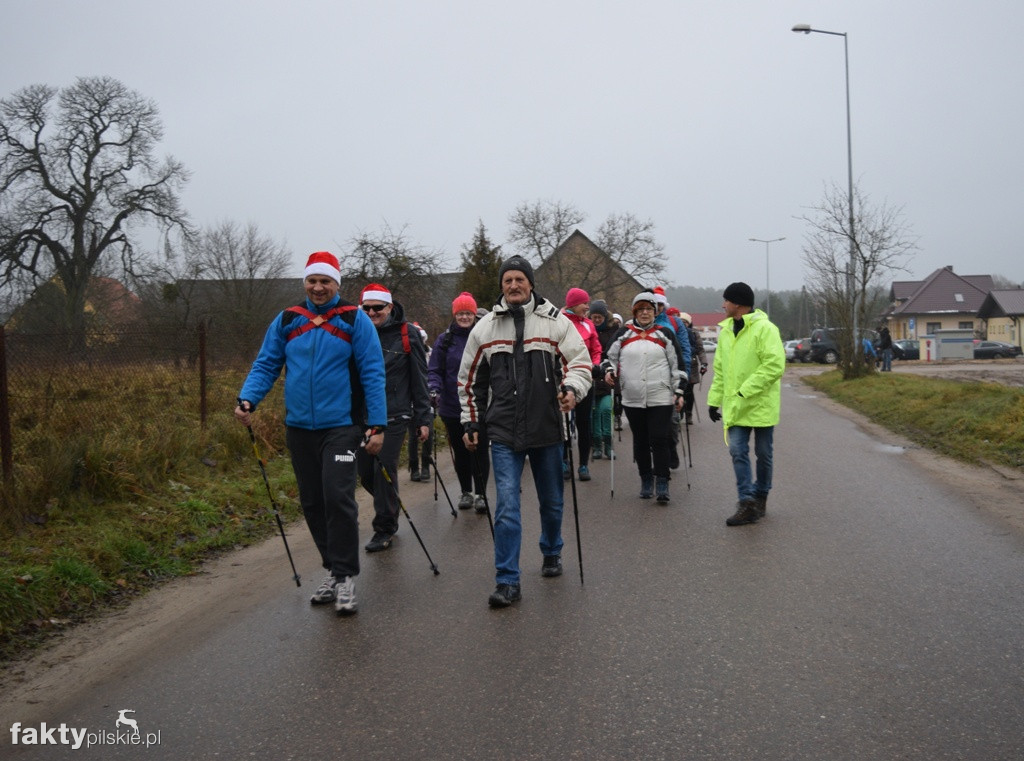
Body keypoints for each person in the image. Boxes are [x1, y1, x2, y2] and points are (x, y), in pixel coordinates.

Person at [236, 251, 387, 616]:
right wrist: (248, 398)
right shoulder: (289, 319)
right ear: (305, 283)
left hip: (341, 426)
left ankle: (347, 577)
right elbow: (267, 362)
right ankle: (333, 571)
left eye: (326, 281)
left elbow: (372, 371)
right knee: (313, 502)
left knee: (338, 497)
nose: (318, 287)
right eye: (312, 281)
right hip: (299, 428)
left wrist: (377, 424)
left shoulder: (353, 319)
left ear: (337, 283)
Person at [459, 255, 592, 608]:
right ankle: (507, 580)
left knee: (551, 500)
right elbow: (469, 382)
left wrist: (572, 389)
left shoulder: (556, 323)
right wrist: (471, 421)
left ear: (531, 284)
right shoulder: (484, 328)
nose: (514, 285)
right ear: (502, 287)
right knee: (506, 504)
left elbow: (580, 363)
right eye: (508, 281)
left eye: (520, 279)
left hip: (547, 427)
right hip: (503, 430)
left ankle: (551, 550)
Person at [357, 283, 432, 553]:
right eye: (367, 308)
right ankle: (389, 502)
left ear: (390, 307)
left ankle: (384, 528)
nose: (373, 313)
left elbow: (419, 379)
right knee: (365, 473)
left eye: (378, 308)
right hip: (361, 416)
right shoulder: (355, 331)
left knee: (382, 470)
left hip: (395, 414)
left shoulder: (407, 334)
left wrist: (423, 418)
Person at [707, 282, 785, 527]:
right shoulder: (727, 331)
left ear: (738, 304)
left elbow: (774, 365)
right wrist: (713, 401)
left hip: (760, 404)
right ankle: (746, 501)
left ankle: (761, 495)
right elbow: (720, 370)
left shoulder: (766, 329)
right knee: (737, 450)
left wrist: (744, 391)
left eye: (726, 300)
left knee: (764, 454)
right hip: (736, 407)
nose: (723, 305)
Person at [603, 292, 686, 503]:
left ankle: (662, 481)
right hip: (632, 396)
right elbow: (607, 358)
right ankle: (646, 478)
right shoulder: (623, 333)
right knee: (640, 441)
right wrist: (609, 371)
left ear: (655, 311)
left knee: (659, 438)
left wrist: (679, 391)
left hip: (661, 395)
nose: (645, 313)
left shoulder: (665, 333)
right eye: (641, 309)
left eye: (649, 309)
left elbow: (678, 365)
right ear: (635, 312)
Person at [428, 291, 489, 513]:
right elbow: (434, 369)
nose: (464, 317)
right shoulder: (445, 341)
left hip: (479, 404)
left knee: (479, 449)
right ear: (454, 315)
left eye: (468, 313)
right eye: (460, 313)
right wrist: (434, 388)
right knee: (461, 450)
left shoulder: (483, 336)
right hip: (452, 405)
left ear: (474, 314)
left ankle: (481, 493)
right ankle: (466, 492)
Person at [562, 287, 602, 481]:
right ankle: (564, 461)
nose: (587, 307)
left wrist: (594, 366)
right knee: (562, 424)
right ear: (573, 304)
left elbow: (596, 349)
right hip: (563, 380)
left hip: (585, 380)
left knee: (583, 423)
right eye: (584, 303)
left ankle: (583, 465)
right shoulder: (559, 323)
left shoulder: (588, 325)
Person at [588, 299, 620, 460]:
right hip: (592, 377)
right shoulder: (587, 329)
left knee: (606, 410)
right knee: (594, 413)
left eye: (599, 316)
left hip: (608, 377)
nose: (597, 320)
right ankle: (596, 446)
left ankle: (608, 445)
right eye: (594, 317)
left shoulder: (613, 331)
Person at [408, 322, 434, 481]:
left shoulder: (431, 354)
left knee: (428, 433)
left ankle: (426, 464)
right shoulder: (407, 353)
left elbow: (433, 374)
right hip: (411, 400)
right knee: (413, 435)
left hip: (428, 399)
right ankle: (413, 467)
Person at [672, 310, 708, 425]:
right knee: (679, 390)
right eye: (681, 322)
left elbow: (700, 349)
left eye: (685, 322)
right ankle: (679, 411)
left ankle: (688, 413)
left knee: (689, 391)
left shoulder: (694, 333)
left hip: (691, 365)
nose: (683, 324)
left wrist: (704, 363)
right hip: (677, 364)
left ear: (689, 323)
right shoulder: (674, 332)